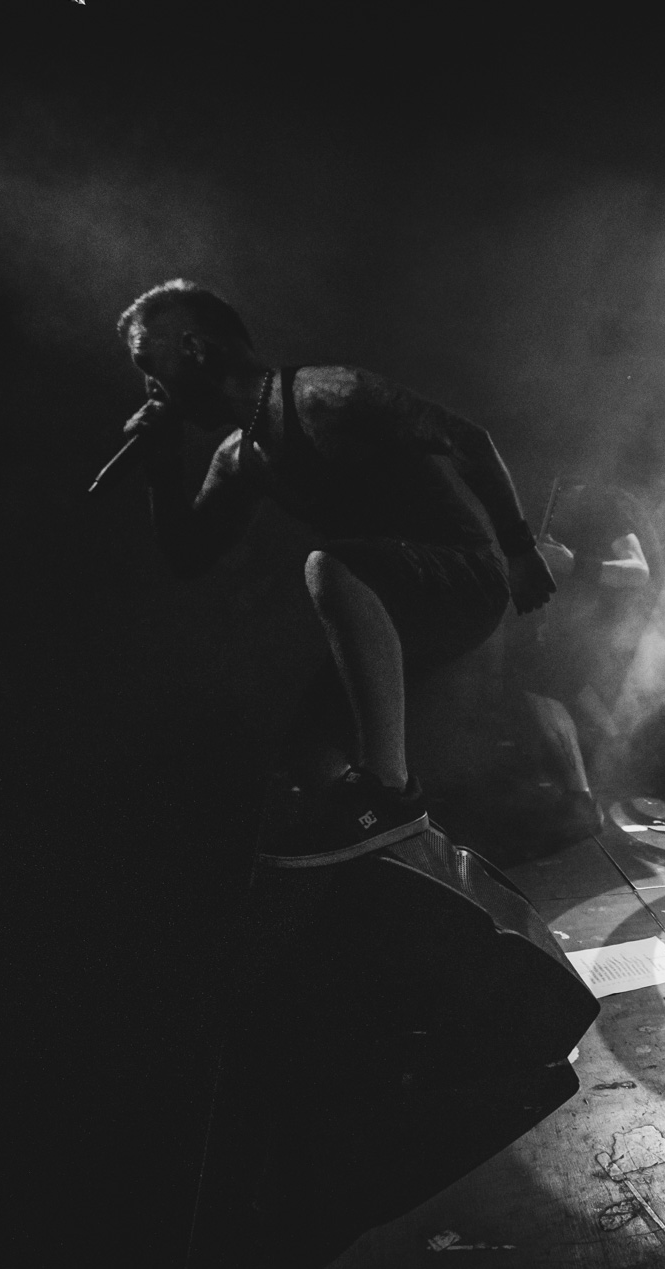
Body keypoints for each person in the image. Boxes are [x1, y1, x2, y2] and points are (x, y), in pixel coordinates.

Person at [116, 279, 554, 862]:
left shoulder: (327, 394)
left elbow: (466, 439)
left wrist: (520, 551)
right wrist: (161, 466)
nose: (150, 388)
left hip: (465, 577)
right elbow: (188, 556)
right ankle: (396, 855)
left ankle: (391, 792)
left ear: (194, 349)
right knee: (308, 758)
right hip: (391, 602)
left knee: (331, 566)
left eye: (150, 365)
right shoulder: (240, 457)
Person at [513, 477, 655, 839]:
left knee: (539, 684)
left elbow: (639, 571)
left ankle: (582, 802)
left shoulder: (604, 503)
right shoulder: (573, 510)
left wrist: (575, 564)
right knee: (571, 683)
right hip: (599, 626)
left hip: (620, 626)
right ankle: (624, 756)